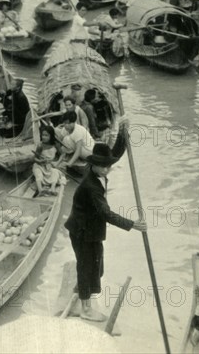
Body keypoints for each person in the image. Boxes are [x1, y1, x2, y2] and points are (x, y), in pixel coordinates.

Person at [65, 138, 147, 322]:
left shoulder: (98, 172)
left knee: (97, 267)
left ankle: (82, 289)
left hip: (90, 228)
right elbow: (106, 213)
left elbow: (114, 156)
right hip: (81, 231)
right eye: (102, 166)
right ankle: (85, 308)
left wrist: (122, 135)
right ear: (92, 164)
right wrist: (133, 224)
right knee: (86, 267)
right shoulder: (91, 186)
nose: (106, 169)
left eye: (107, 166)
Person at [32, 126, 67, 196]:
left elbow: (63, 154)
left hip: (50, 166)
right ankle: (40, 190)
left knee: (55, 172)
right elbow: (35, 158)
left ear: (51, 136)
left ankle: (52, 188)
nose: (44, 137)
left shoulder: (55, 144)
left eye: (46, 135)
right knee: (37, 171)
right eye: (43, 135)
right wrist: (40, 161)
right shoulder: (40, 145)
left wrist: (57, 162)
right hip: (41, 166)